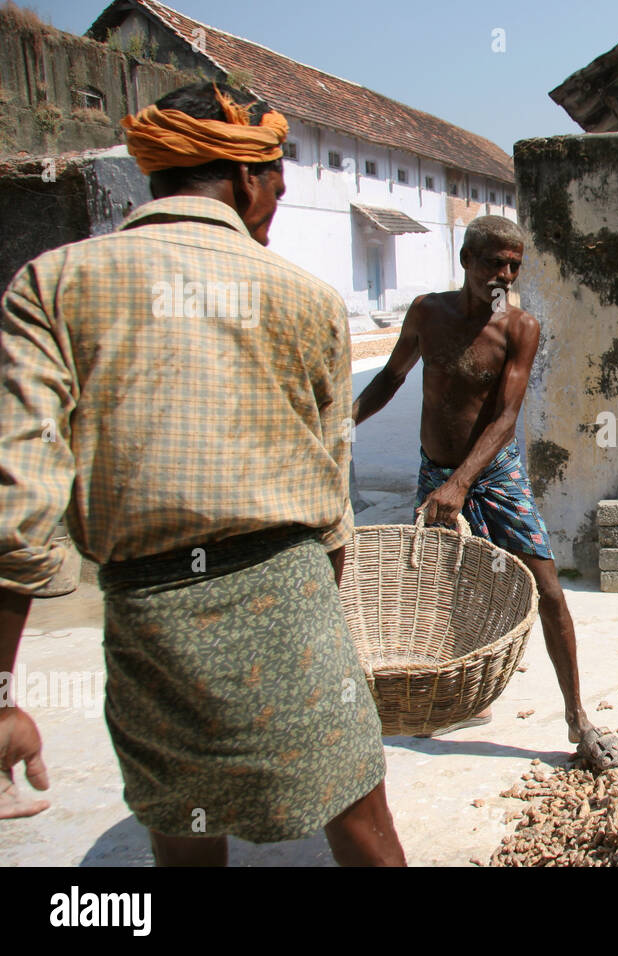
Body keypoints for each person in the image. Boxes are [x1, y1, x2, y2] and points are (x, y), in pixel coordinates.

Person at [0, 81, 404, 865]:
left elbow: (17, 505)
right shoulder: (309, 299)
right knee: (361, 822)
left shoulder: (53, 286)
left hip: (150, 619)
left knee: (185, 827)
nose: (273, 209)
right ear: (250, 179)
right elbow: (332, 501)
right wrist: (327, 633)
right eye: (278, 189)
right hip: (290, 601)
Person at [352, 216, 618, 770]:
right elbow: (390, 376)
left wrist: (464, 481)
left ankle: (579, 721)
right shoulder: (428, 314)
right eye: (491, 263)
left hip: (495, 475)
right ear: (465, 261)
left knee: (547, 589)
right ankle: (457, 699)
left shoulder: (519, 327)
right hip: (436, 474)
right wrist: (345, 421)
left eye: (513, 265)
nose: (503, 275)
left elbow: (505, 418)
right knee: (437, 593)